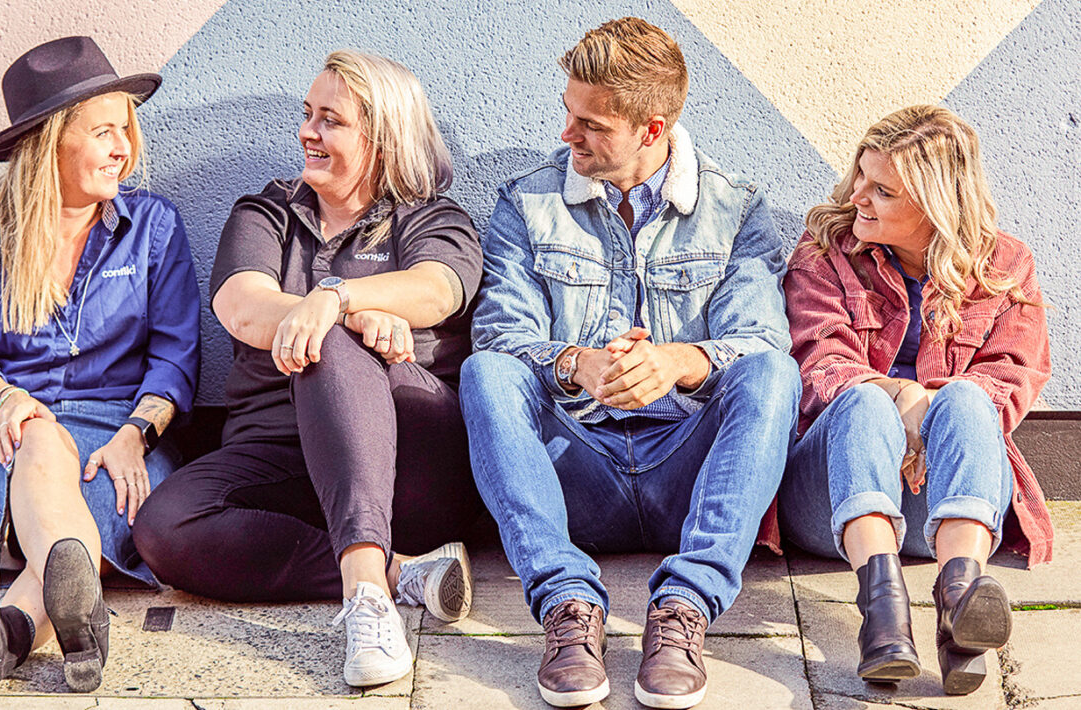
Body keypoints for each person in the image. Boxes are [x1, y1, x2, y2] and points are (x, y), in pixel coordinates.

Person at [459, 18, 800, 709]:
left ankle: (684, 611)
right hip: (573, 464)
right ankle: (564, 604)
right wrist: (575, 363)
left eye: (591, 124)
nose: (567, 134)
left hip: (688, 468)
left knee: (773, 374)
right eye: (568, 113)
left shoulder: (735, 208)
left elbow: (761, 339)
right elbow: (499, 333)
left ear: (652, 129)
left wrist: (677, 361)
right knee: (484, 373)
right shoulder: (526, 202)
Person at [132, 49, 483, 688]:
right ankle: (400, 574)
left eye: (330, 120)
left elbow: (438, 289)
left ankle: (366, 605)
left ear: (382, 139)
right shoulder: (269, 213)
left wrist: (337, 300)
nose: (307, 132)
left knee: (331, 343)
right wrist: (341, 312)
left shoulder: (433, 219)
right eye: (307, 114)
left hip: (409, 461)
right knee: (162, 527)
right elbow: (241, 305)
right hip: (281, 452)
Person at [0, 36, 200, 704]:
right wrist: (6, 404)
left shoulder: (153, 228)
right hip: (1, 441)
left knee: (81, 527)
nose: (123, 148)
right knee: (42, 444)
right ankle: (80, 624)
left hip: (119, 442)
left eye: (125, 130)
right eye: (103, 131)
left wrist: (137, 434)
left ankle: (9, 633)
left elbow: (175, 356)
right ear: (51, 142)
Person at [781, 105, 1052, 696]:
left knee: (968, 400)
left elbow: (1013, 375)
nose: (858, 198)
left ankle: (960, 601)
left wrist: (928, 416)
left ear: (933, 203)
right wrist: (899, 395)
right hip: (833, 499)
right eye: (860, 177)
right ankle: (883, 613)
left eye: (882, 190)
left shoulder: (1005, 265)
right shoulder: (826, 251)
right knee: (861, 403)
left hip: (946, 495)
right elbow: (817, 361)